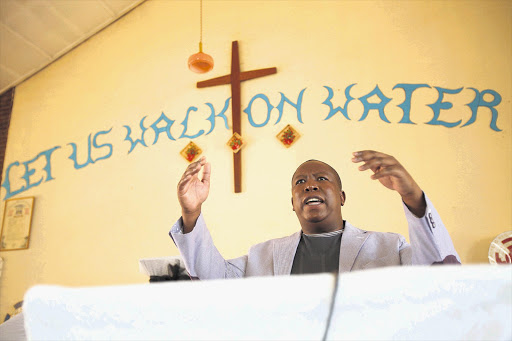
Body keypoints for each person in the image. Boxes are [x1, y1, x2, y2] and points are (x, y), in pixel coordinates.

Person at [169, 150, 460, 279]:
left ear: (342, 196)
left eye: (322, 179)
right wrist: (191, 212)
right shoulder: (262, 256)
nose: (310, 184)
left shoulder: (389, 248)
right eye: (300, 182)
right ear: (293, 204)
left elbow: (437, 273)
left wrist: (413, 198)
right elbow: (214, 282)